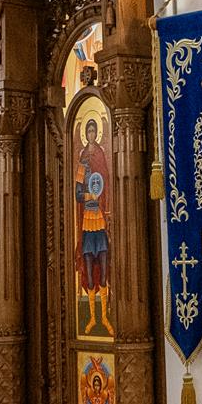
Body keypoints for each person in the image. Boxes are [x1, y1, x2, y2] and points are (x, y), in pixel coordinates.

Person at [74, 116, 112, 337]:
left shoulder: (100, 154)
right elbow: (78, 194)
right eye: (88, 131)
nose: (90, 135)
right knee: (89, 273)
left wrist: (101, 195)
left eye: (93, 131)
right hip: (87, 223)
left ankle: (105, 318)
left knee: (104, 272)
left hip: (100, 221)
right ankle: (92, 318)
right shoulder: (82, 161)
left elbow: (106, 180)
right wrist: (90, 195)